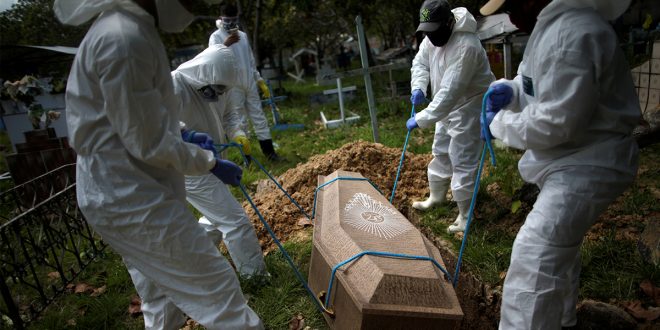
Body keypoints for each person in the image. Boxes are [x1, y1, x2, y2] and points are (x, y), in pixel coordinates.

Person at [53, 0, 263, 329]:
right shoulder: (124, 40)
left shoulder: (126, 30)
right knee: (218, 294)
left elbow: (138, 114)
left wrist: (184, 133)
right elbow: (148, 140)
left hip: (123, 188)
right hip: (131, 193)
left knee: (159, 298)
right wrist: (208, 162)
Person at [479, 0, 639, 329]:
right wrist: (509, 90)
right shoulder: (553, 26)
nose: (509, 12)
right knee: (559, 248)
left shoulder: (574, 32)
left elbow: (558, 121)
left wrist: (499, 125)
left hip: (589, 163)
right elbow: (534, 84)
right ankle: (564, 321)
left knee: (535, 255)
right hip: (573, 158)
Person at [171, 44, 268, 278]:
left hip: (215, 161)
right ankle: (254, 276)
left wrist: (238, 133)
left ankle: (192, 262)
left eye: (222, 90)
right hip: (189, 168)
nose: (218, 94)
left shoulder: (221, 85)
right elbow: (163, 130)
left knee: (215, 219)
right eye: (215, 89)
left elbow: (230, 113)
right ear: (203, 72)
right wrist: (203, 155)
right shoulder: (173, 86)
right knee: (235, 221)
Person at [407, 0, 494, 233]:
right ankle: (437, 197)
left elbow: (451, 91)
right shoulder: (432, 35)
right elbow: (420, 63)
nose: (430, 36)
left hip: (469, 106)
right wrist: (419, 86)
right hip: (444, 106)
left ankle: (466, 215)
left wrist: (422, 118)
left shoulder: (466, 46)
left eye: (434, 31)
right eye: (427, 31)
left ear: (448, 23)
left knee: (463, 159)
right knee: (441, 149)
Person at [209, 3, 281, 161]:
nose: (231, 23)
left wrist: (259, 79)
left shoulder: (243, 36)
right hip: (232, 86)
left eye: (234, 19)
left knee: (259, 117)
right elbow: (212, 58)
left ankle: (270, 153)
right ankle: (247, 157)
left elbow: (250, 60)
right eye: (228, 20)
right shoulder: (216, 37)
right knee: (240, 121)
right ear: (221, 19)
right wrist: (226, 43)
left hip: (249, 83)